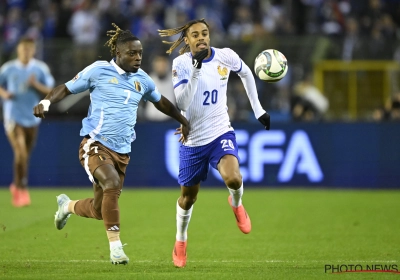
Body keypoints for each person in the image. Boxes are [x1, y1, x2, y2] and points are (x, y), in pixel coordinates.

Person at [33, 23, 189, 265]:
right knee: (112, 183)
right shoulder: (99, 71)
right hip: (95, 143)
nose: (137, 58)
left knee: (99, 209)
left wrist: (183, 120)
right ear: (118, 52)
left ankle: (67, 206)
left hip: (122, 152)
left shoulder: (143, 80)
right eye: (132, 53)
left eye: (140, 54)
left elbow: (161, 103)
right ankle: (116, 247)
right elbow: (66, 88)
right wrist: (46, 102)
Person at [158, 18, 271, 268]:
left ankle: (237, 203)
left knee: (234, 178)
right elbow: (183, 103)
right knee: (188, 199)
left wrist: (258, 110)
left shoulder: (225, 56)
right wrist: (196, 70)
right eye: (195, 35)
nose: (201, 38)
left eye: (205, 33)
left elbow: (246, 73)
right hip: (193, 141)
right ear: (186, 40)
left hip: (220, 132)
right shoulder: (181, 64)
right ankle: (181, 240)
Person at [0, 37, 55, 207]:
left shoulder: (39, 68)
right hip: (12, 117)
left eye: (29, 49)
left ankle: (16, 185)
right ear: (18, 50)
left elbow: (51, 90)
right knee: (21, 151)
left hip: (32, 117)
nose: (26, 52)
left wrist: (35, 84)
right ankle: (21, 189)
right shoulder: (8, 68)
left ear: (33, 50)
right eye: (23, 48)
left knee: (25, 155)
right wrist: (5, 94)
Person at [143, 54, 176, 121]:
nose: (160, 67)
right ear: (154, 65)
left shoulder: (174, 79)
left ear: (167, 65)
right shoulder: (148, 79)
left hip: (169, 120)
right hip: (150, 120)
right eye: (158, 64)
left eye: (163, 64)